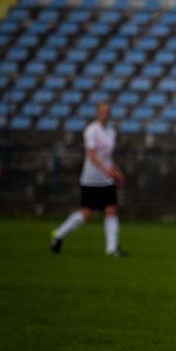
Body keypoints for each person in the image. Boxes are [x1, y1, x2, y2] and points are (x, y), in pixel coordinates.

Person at [50, 100, 127, 257]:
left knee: (111, 210)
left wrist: (117, 172)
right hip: (91, 179)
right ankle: (58, 234)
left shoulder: (111, 131)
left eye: (108, 112)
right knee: (87, 213)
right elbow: (92, 156)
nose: (105, 115)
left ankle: (111, 249)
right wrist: (106, 170)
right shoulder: (91, 130)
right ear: (97, 113)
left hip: (106, 180)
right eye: (103, 112)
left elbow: (107, 157)